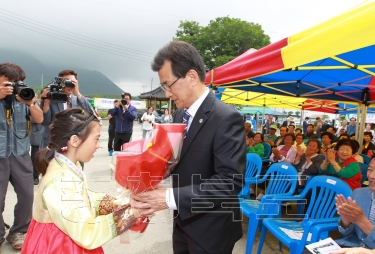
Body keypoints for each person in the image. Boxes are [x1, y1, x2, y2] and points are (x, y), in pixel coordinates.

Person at [131, 41, 246, 253]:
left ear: (192, 77)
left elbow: (230, 182)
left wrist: (168, 198)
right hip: (182, 221)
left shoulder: (226, 118)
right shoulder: (180, 114)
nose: (166, 93)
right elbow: (176, 161)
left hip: (212, 230)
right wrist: (147, 182)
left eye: (168, 85)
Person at [21, 108, 145, 254]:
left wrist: (114, 203)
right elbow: (86, 231)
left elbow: (81, 198)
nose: (98, 145)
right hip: (59, 245)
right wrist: (130, 214)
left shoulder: (68, 165)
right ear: (74, 140)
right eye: (96, 139)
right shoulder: (59, 182)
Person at [0, 63, 43, 252]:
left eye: (17, 82)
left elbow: (39, 119)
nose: (13, 87)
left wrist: (30, 103)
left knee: (27, 195)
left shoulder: (23, 96)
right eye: (9, 82)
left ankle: (19, 232)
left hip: (20, 154)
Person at [40, 69, 94, 148]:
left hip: (74, 144)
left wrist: (77, 93)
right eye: (67, 81)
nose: (69, 84)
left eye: (72, 82)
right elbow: (45, 122)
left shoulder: (79, 100)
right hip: (54, 143)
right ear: (60, 83)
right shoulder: (52, 98)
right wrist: (46, 102)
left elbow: (91, 114)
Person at [333, 158, 375, 249]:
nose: (371, 175)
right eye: (370, 169)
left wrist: (361, 221)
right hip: (351, 246)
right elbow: (346, 232)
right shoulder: (359, 193)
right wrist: (346, 218)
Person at [256, 133, 297, 200]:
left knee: (267, 173)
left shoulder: (294, 150)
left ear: (293, 141)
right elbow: (271, 158)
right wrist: (275, 156)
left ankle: (262, 192)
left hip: (284, 168)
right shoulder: (279, 147)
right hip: (275, 165)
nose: (287, 140)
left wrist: (280, 155)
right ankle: (262, 192)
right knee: (263, 170)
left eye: (289, 139)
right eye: (286, 139)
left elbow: (290, 162)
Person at [30, 89, 46, 185]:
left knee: (46, 158)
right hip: (36, 136)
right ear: (41, 94)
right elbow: (32, 119)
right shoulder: (33, 104)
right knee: (35, 158)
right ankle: (34, 176)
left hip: (47, 137)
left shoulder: (50, 104)